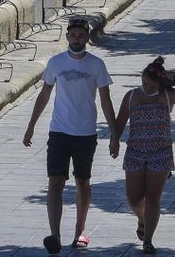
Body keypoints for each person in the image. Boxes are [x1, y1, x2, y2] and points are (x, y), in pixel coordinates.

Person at [24, 15, 114, 254]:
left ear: (87, 37)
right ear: (67, 37)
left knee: (82, 182)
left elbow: (106, 101)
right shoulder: (55, 63)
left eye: (81, 35)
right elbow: (44, 95)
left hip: (85, 133)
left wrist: (115, 134)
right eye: (73, 35)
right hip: (59, 132)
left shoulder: (96, 65)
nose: (77, 39)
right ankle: (54, 234)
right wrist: (31, 125)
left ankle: (79, 232)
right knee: (55, 182)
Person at [111, 57, 175, 254]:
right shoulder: (131, 96)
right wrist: (114, 140)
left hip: (161, 153)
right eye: (144, 83)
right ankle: (142, 218)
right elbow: (120, 121)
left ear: (160, 83)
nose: (147, 88)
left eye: (151, 85)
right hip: (135, 152)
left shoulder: (167, 95)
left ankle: (148, 239)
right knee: (133, 199)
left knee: (152, 198)